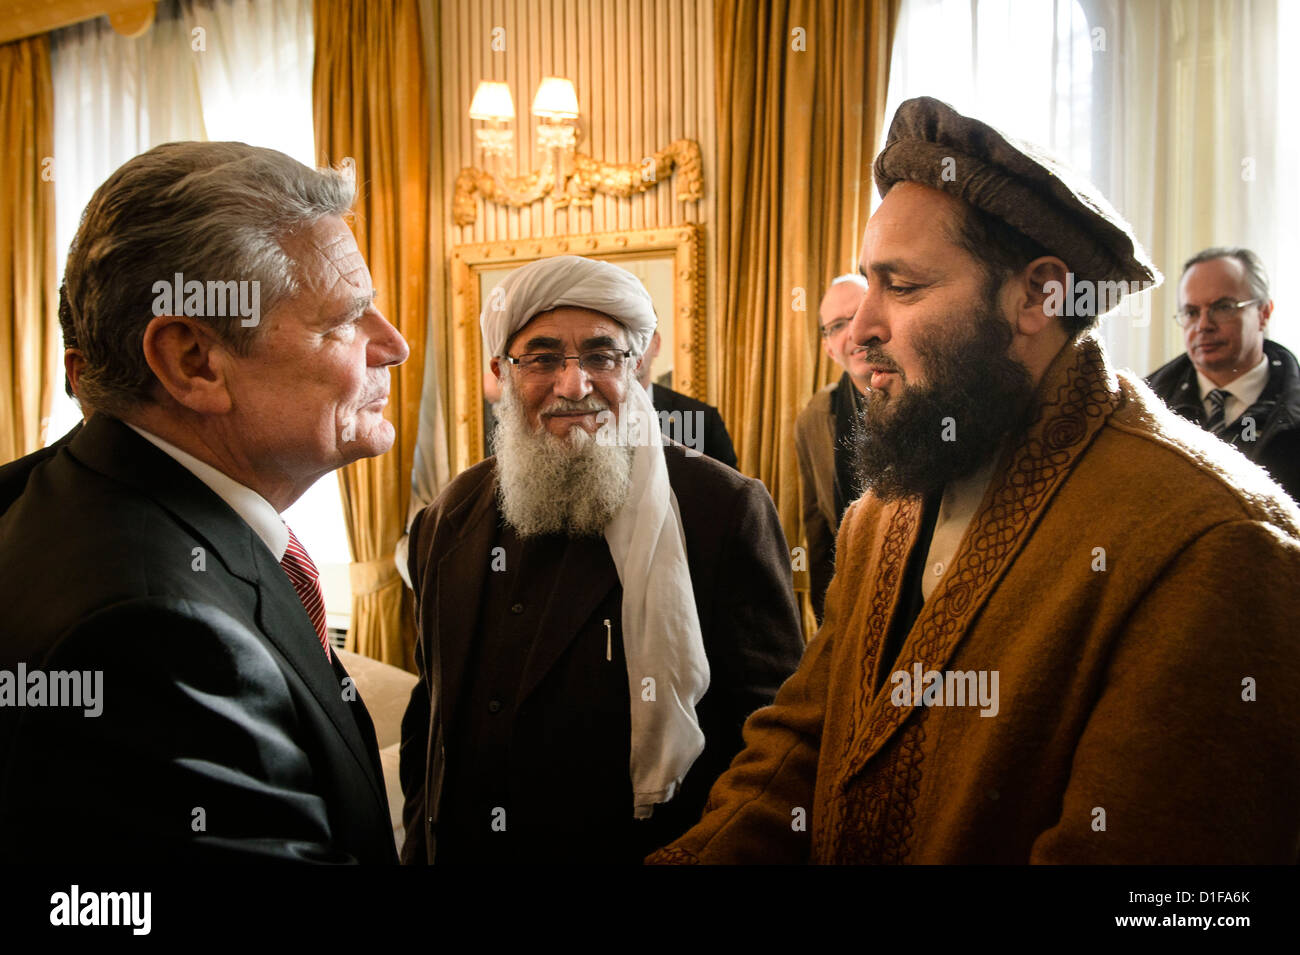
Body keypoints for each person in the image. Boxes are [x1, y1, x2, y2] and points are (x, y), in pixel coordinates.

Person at [649, 97, 1300, 865]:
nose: (859, 332)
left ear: (1037, 295)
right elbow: (799, 748)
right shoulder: (882, 513)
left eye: (904, 286)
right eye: (866, 283)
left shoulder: (1214, 541)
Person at [0, 142, 407, 863]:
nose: (394, 344)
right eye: (347, 318)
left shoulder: (43, 490)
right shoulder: (157, 636)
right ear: (193, 361)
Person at [399, 255, 803, 864]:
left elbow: (775, 743)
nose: (573, 385)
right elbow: (428, 716)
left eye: (600, 355)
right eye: (541, 358)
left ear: (635, 367)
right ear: (500, 373)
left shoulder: (720, 510)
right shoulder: (448, 516)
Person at [1147, 247, 1300, 501]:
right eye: (1192, 312)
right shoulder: (1144, 407)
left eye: (1223, 307)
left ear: (1264, 314)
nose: (1204, 325)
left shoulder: (1291, 412)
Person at [795, 274, 870, 622]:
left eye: (860, 315)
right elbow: (818, 531)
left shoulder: (936, 401)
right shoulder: (814, 417)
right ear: (828, 347)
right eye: (838, 326)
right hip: (854, 602)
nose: (854, 333)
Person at [639, 329, 738, 468]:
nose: (631, 349)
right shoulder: (599, 417)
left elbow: (731, 487)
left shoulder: (702, 420)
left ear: (656, 344)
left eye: (639, 336)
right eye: (622, 337)